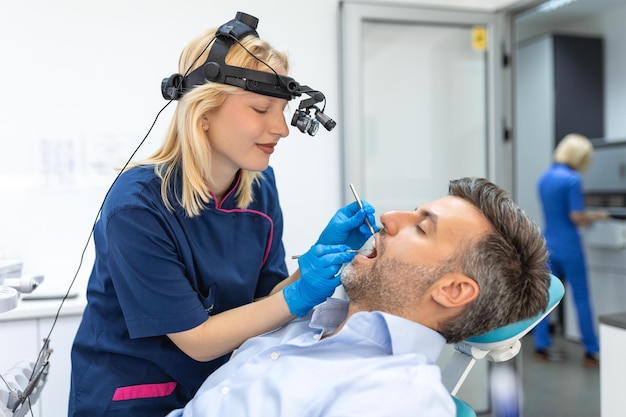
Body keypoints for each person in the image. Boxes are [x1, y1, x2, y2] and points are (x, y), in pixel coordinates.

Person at [68, 12, 376, 416]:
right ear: (204, 112)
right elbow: (197, 339)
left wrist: (314, 262)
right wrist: (301, 295)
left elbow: (266, 304)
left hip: (217, 393)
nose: (281, 129)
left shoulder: (259, 190)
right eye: (261, 108)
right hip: (134, 398)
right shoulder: (137, 205)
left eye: (282, 110)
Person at [167, 177, 552, 417]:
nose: (388, 218)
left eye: (420, 227)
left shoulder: (395, 398)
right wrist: (301, 282)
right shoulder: (318, 319)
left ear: (452, 290)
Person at [533, 133, 609, 367]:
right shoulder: (573, 179)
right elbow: (576, 216)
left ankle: (541, 347)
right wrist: (599, 215)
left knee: (545, 298)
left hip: (548, 244)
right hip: (569, 245)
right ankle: (592, 351)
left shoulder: (544, 178)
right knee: (582, 298)